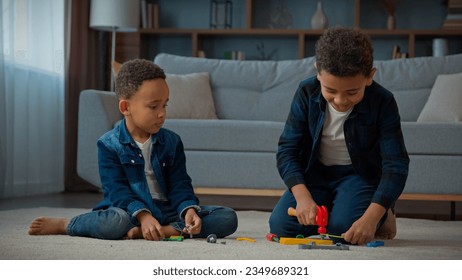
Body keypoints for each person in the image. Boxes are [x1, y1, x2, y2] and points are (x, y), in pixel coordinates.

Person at [29, 59, 238, 241]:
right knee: (115, 223)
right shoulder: (108, 144)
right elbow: (117, 192)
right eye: (153, 106)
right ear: (125, 108)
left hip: (169, 210)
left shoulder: (172, 142)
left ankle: (163, 231)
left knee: (227, 217)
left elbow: (180, 183)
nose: (162, 114)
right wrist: (143, 215)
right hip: (129, 211)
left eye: (165, 105)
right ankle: (67, 224)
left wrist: (189, 209)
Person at [268, 27, 409, 245]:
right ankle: (339, 206)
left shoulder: (383, 101)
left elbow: (396, 164)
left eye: (352, 92)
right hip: (315, 174)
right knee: (281, 227)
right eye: (330, 91)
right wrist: (303, 198)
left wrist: (371, 218)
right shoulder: (306, 92)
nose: (341, 101)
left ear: (369, 77)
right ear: (318, 72)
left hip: (359, 176)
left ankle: (382, 212)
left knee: (342, 231)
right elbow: (287, 151)